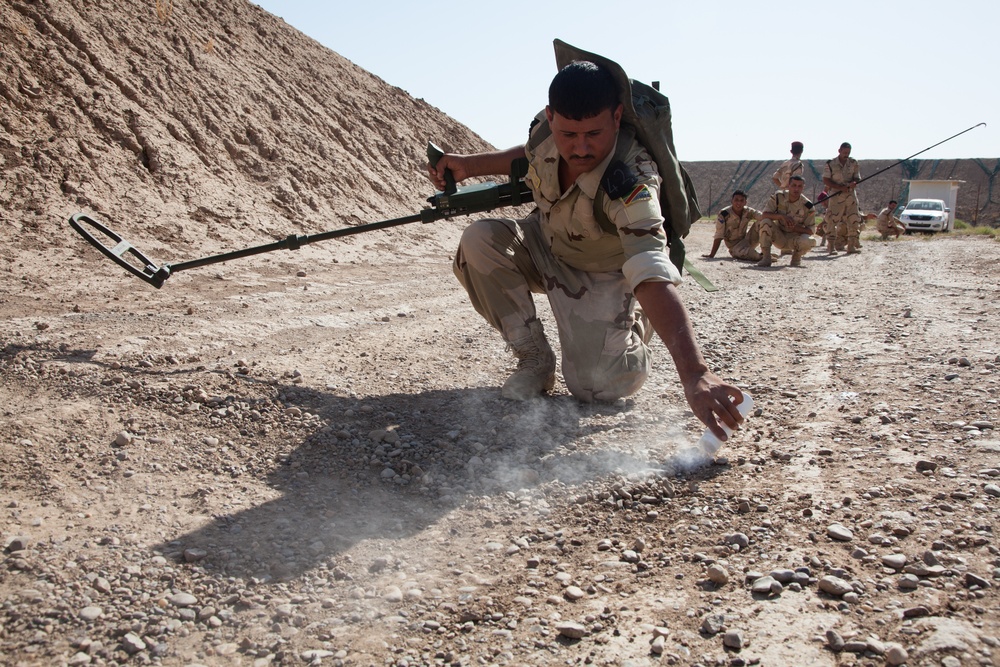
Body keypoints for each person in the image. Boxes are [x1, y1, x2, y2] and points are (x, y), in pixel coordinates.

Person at [427, 59, 744, 440]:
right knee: (479, 240)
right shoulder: (545, 131)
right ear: (551, 117)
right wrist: (469, 165)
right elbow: (530, 153)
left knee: (598, 388)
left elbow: (650, 273)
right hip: (545, 244)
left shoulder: (633, 182)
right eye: (568, 134)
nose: (579, 148)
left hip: (606, 269)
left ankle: (637, 321)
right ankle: (535, 360)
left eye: (593, 133)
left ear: (616, 116)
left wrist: (695, 374)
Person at [755, 175, 817, 267]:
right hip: (779, 236)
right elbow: (764, 215)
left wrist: (795, 228)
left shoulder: (808, 206)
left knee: (810, 241)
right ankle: (766, 257)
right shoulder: (778, 197)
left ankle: (796, 258)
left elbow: (810, 230)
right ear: (788, 186)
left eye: (800, 186)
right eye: (794, 185)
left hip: (794, 240)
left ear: (803, 187)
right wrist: (781, 216)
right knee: (765, 222)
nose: (796, 189)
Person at [822, 142, 863, 255]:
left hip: (850, 194)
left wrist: (854, 183)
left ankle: (851, 246)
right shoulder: (831, 163)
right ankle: (831, 246)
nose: (846, 154)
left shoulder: (853, 162)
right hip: (836, 194)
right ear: (839, 150)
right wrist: (839, 187)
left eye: (848, 153)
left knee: (854, 218)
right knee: (832, 220)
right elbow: (826, 179)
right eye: (844, 152)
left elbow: (857, 177)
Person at [703, 190, 761, 261]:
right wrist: (712, 255)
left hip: (747, 241)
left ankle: (766, 253)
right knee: (754, 256)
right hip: (735, 246)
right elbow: (719, 235)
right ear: (732, 201)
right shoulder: (724, 214)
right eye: (736, 200)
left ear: (745, 202)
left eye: (741, 200)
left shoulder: (748, 211)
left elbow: (762, 216)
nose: (738, 203)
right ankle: (763, 257)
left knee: (763, 222)